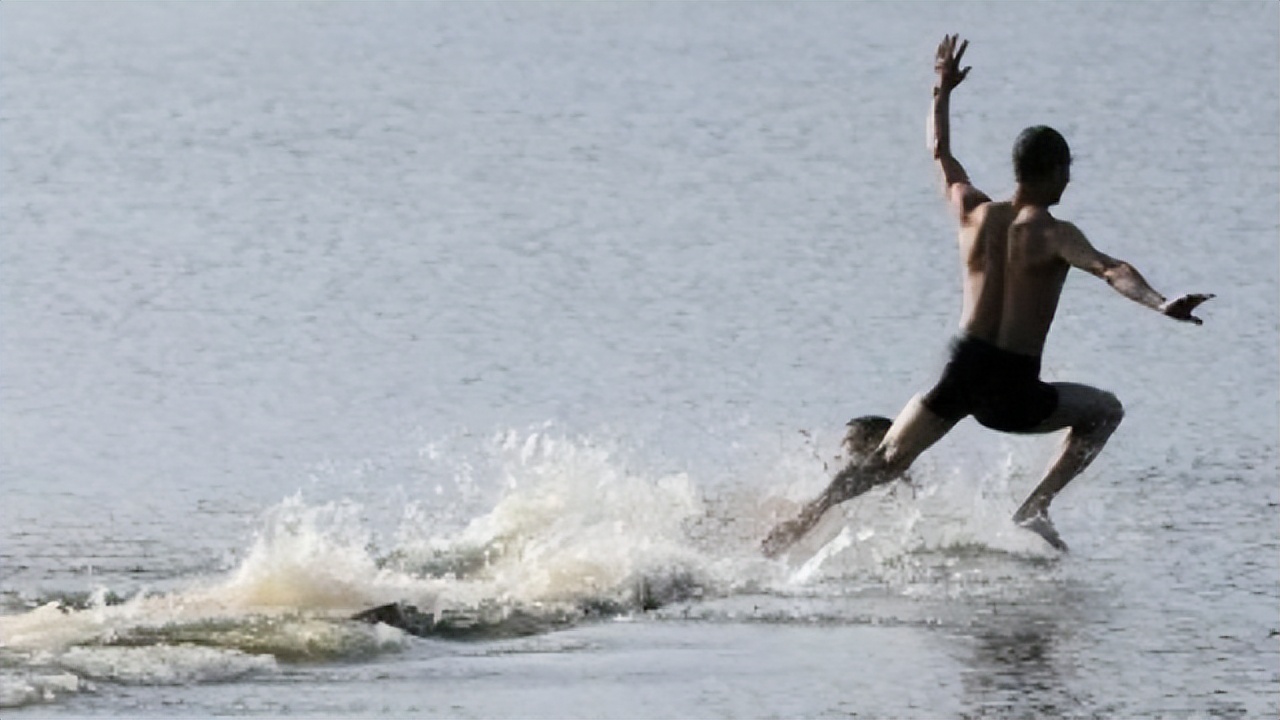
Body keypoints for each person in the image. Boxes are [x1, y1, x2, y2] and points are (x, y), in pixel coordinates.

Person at [761, 35, 1213, 557]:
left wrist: (941, 91)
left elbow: (940, 152)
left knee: (885, 462)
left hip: (962, 365)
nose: (1070, 178)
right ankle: (1035, 507)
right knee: (1105, 411)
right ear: (1050, 170)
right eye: (1067, 168)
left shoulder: (973, 212)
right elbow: (1112, 270)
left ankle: (797, 525)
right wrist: (1160, 303)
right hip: (1012, 389)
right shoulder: (1054, 232)